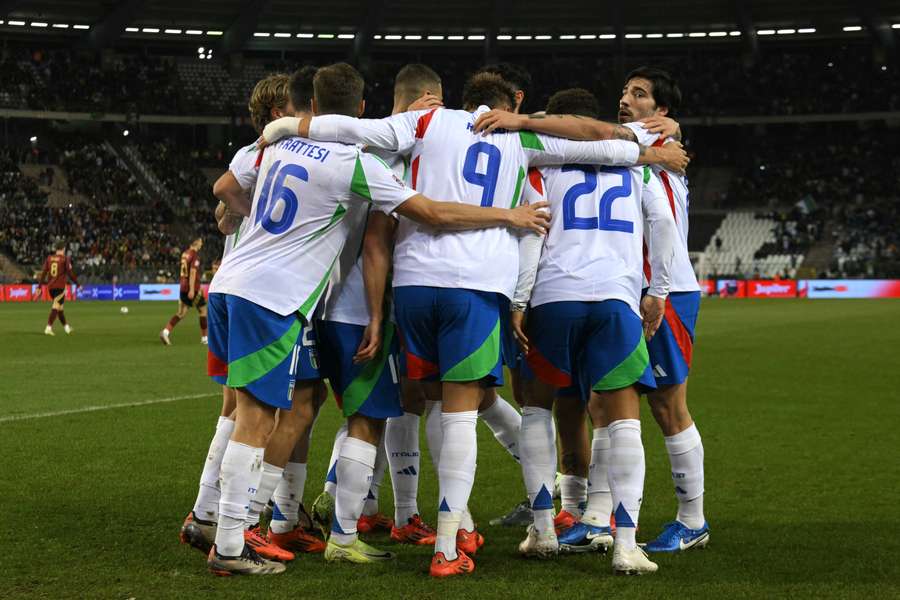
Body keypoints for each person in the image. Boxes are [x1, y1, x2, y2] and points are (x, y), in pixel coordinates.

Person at [261, 70, 687, 577]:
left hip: (413, 286)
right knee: (466, 408)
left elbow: (353, 130)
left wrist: (284, 128)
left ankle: (413, 517)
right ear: (508, 105)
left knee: (427, 403)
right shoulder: (519, 135)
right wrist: (652, 148)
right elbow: (599, 143)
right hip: (480, 284)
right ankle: (449, 542)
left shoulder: (423, 121)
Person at [205, 62, 551, 577]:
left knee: (287, 409)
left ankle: (256, 519)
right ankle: (264, 535)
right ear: (362, 107)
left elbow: (224, 192)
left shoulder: (274, 146)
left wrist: (251, 220)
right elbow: (408, 224)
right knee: (357, 418)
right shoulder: (363, 161)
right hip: (326, 304)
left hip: (268, 294)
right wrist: (510, 216)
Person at [476, 67, 708, 557]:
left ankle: (692, 519)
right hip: (625, 290)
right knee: (605, 404)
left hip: (657, 286)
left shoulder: (638, 141)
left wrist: (523, 123)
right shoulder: (632, 148)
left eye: (639, 94)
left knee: (666, 406)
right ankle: (598, 518)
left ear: (662, 111)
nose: (626, 101)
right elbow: (594, 138)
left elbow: (585, 137)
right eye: (624, 92)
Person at [180, 72, 325, 561]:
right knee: (281, 410)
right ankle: (243, 524)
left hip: (235, 288)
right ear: (279, 109)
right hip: (267, 294)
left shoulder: (249, 155)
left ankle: (205, 513)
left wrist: (237, 211)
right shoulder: (282, 152)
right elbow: (228, 207)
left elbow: (224, 214)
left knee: (237, 410)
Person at [309, 64, 445, 549]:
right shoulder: (387, 161)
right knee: (372, 416)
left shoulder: (339, 147)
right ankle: (345, 533)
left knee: (326, 411)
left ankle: (306, 510)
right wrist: (375, 314)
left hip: (316, 303)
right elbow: (377, 242)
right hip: (360, 307)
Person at [160, 237, 207, 345]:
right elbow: (192, 272)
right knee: (203, 311)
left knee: (181, 313)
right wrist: (191, 289)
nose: (201, 244)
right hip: (192, 288)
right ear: (196, 243)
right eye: (200, 242)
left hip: (182, 287)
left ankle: (166, 332)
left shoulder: (185, 254)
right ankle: (204, 339)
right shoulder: (194, 255)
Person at [39, 241, 79, 336]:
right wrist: (78, 284)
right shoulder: (65, 259)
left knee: (60, 308)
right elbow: (69, 273)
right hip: (60, 287)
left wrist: (39, 286)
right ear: (64, 249)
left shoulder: (49, 258)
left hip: (51, 287)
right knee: (56, 307)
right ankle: (48, 328)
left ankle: (66, 327)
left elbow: (44, 272)